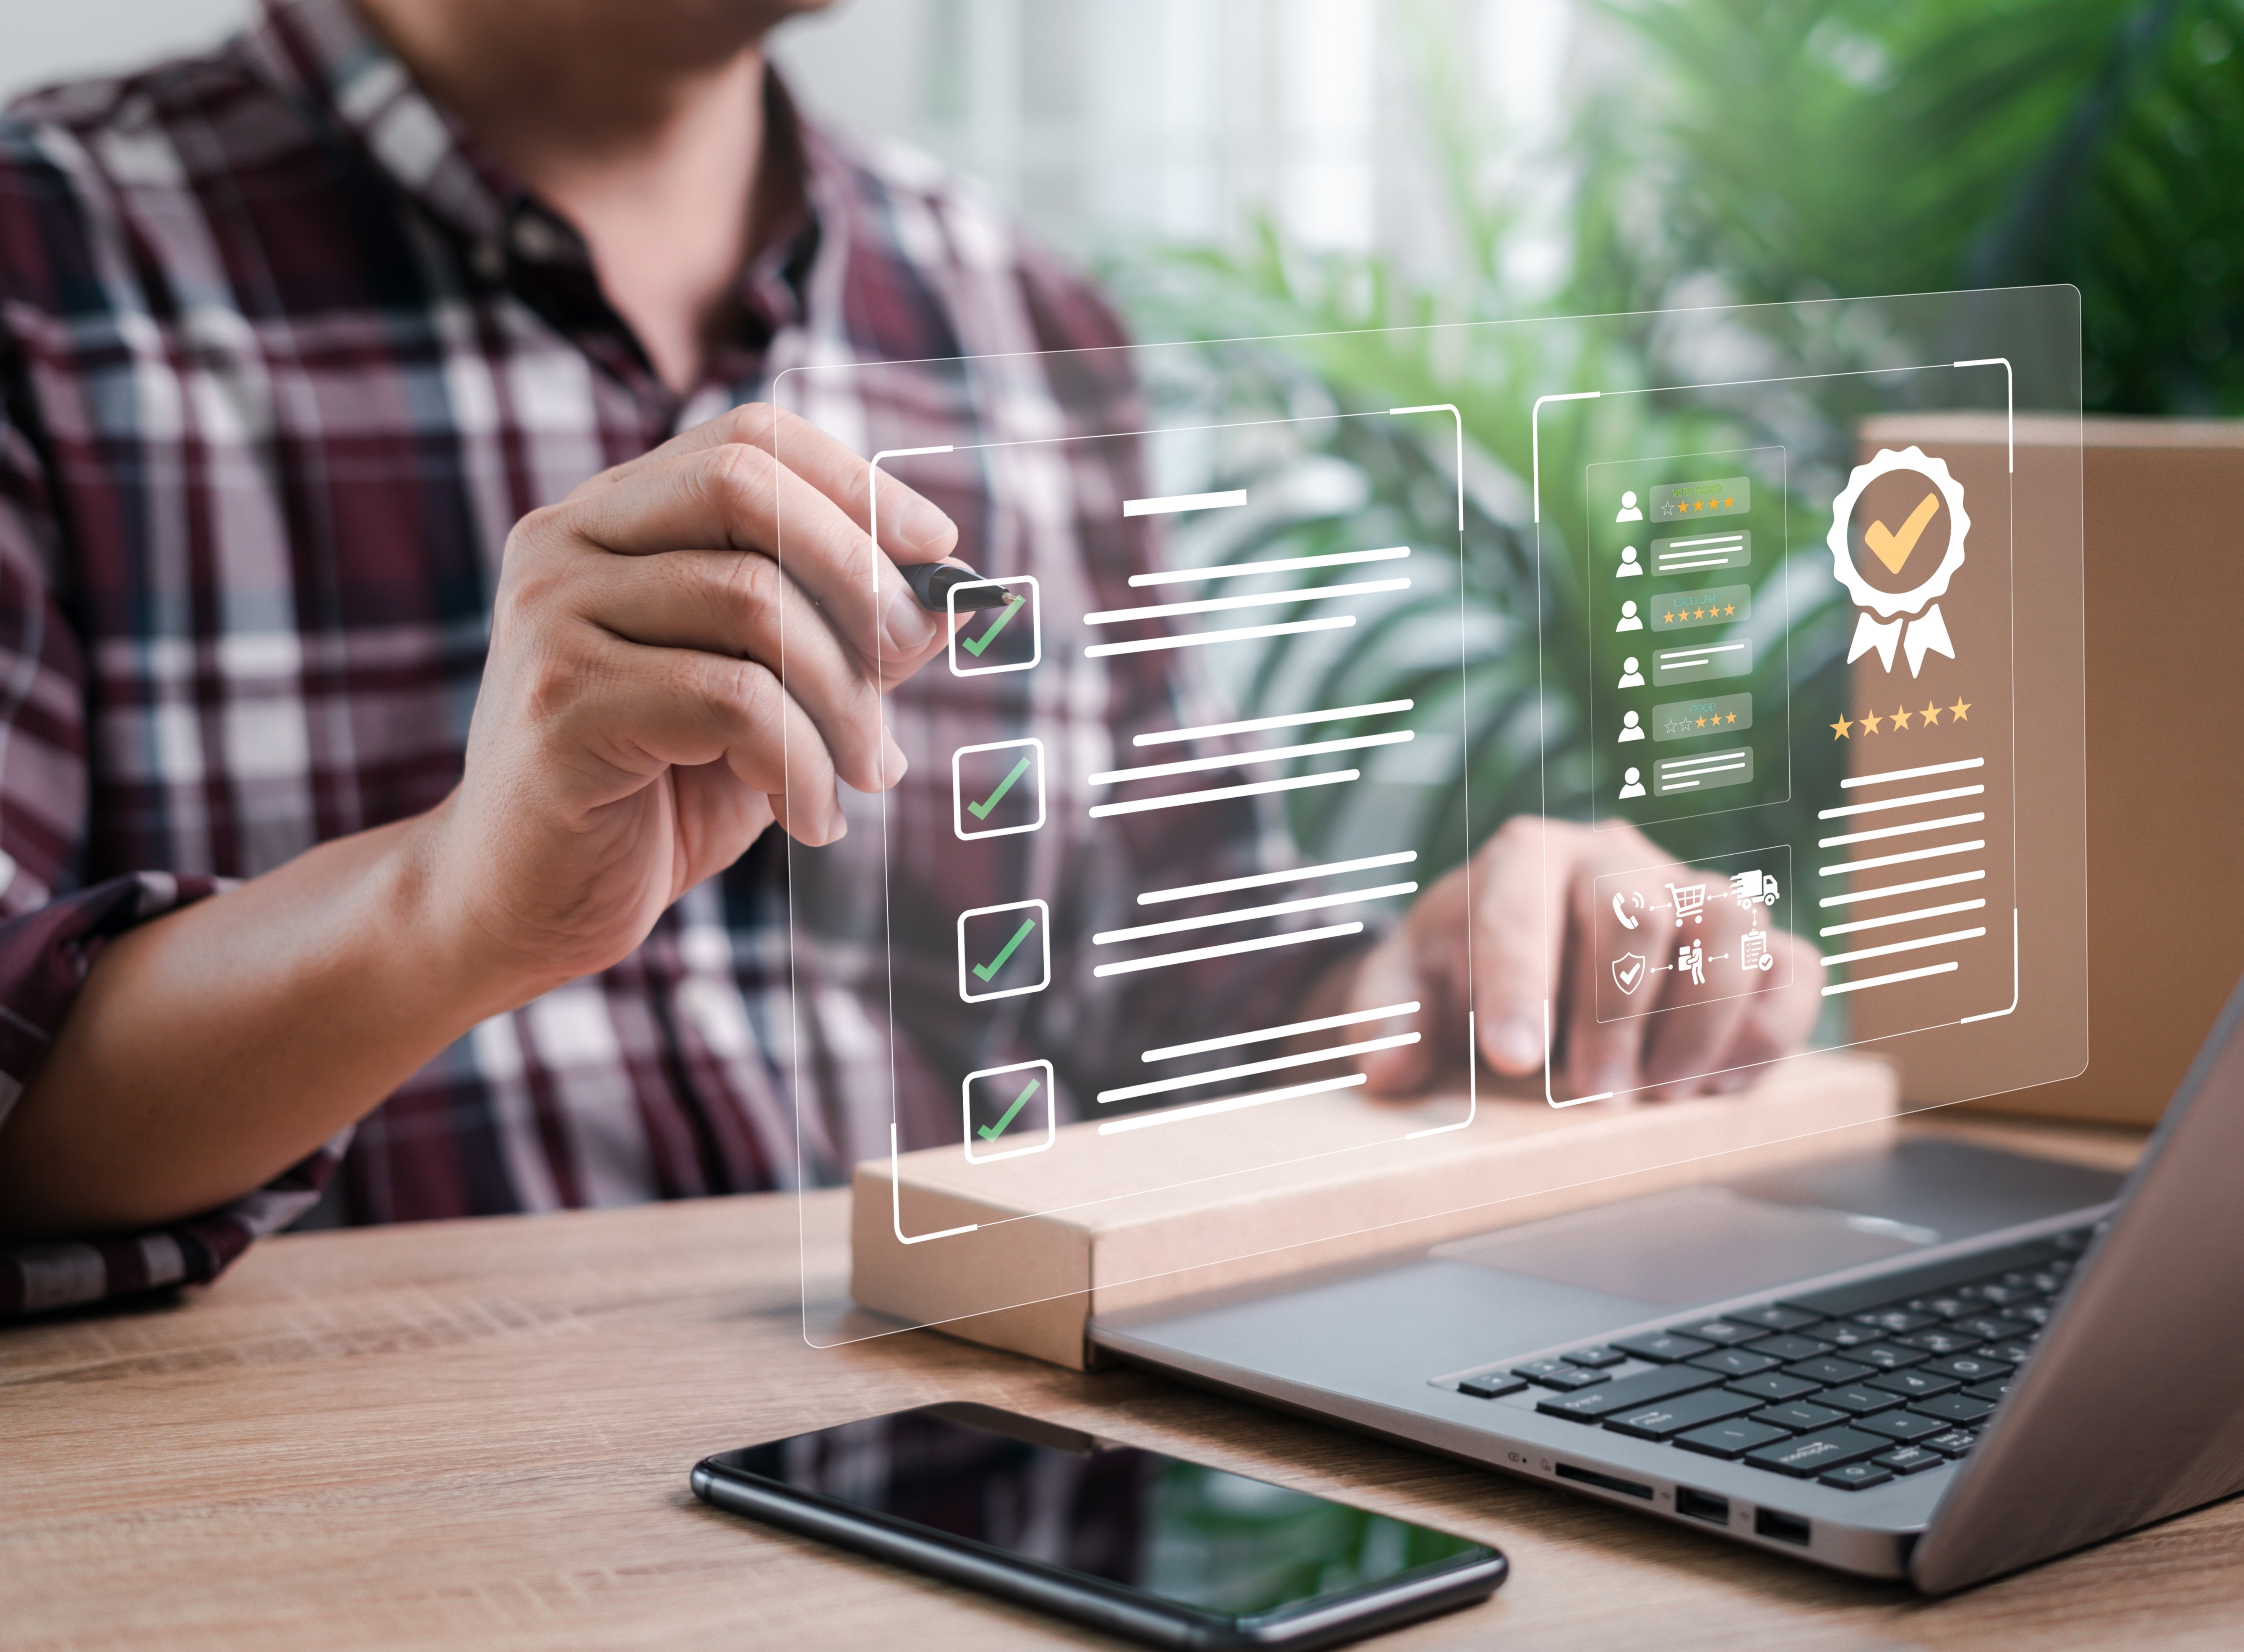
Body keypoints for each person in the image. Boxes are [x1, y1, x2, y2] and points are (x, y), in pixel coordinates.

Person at [0, 0, 1816, 1316]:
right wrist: (450, 906)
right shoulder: (43, 264)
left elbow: (1160, 1006)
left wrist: (1458, 985)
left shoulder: (1016, 316)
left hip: (989, 1526)